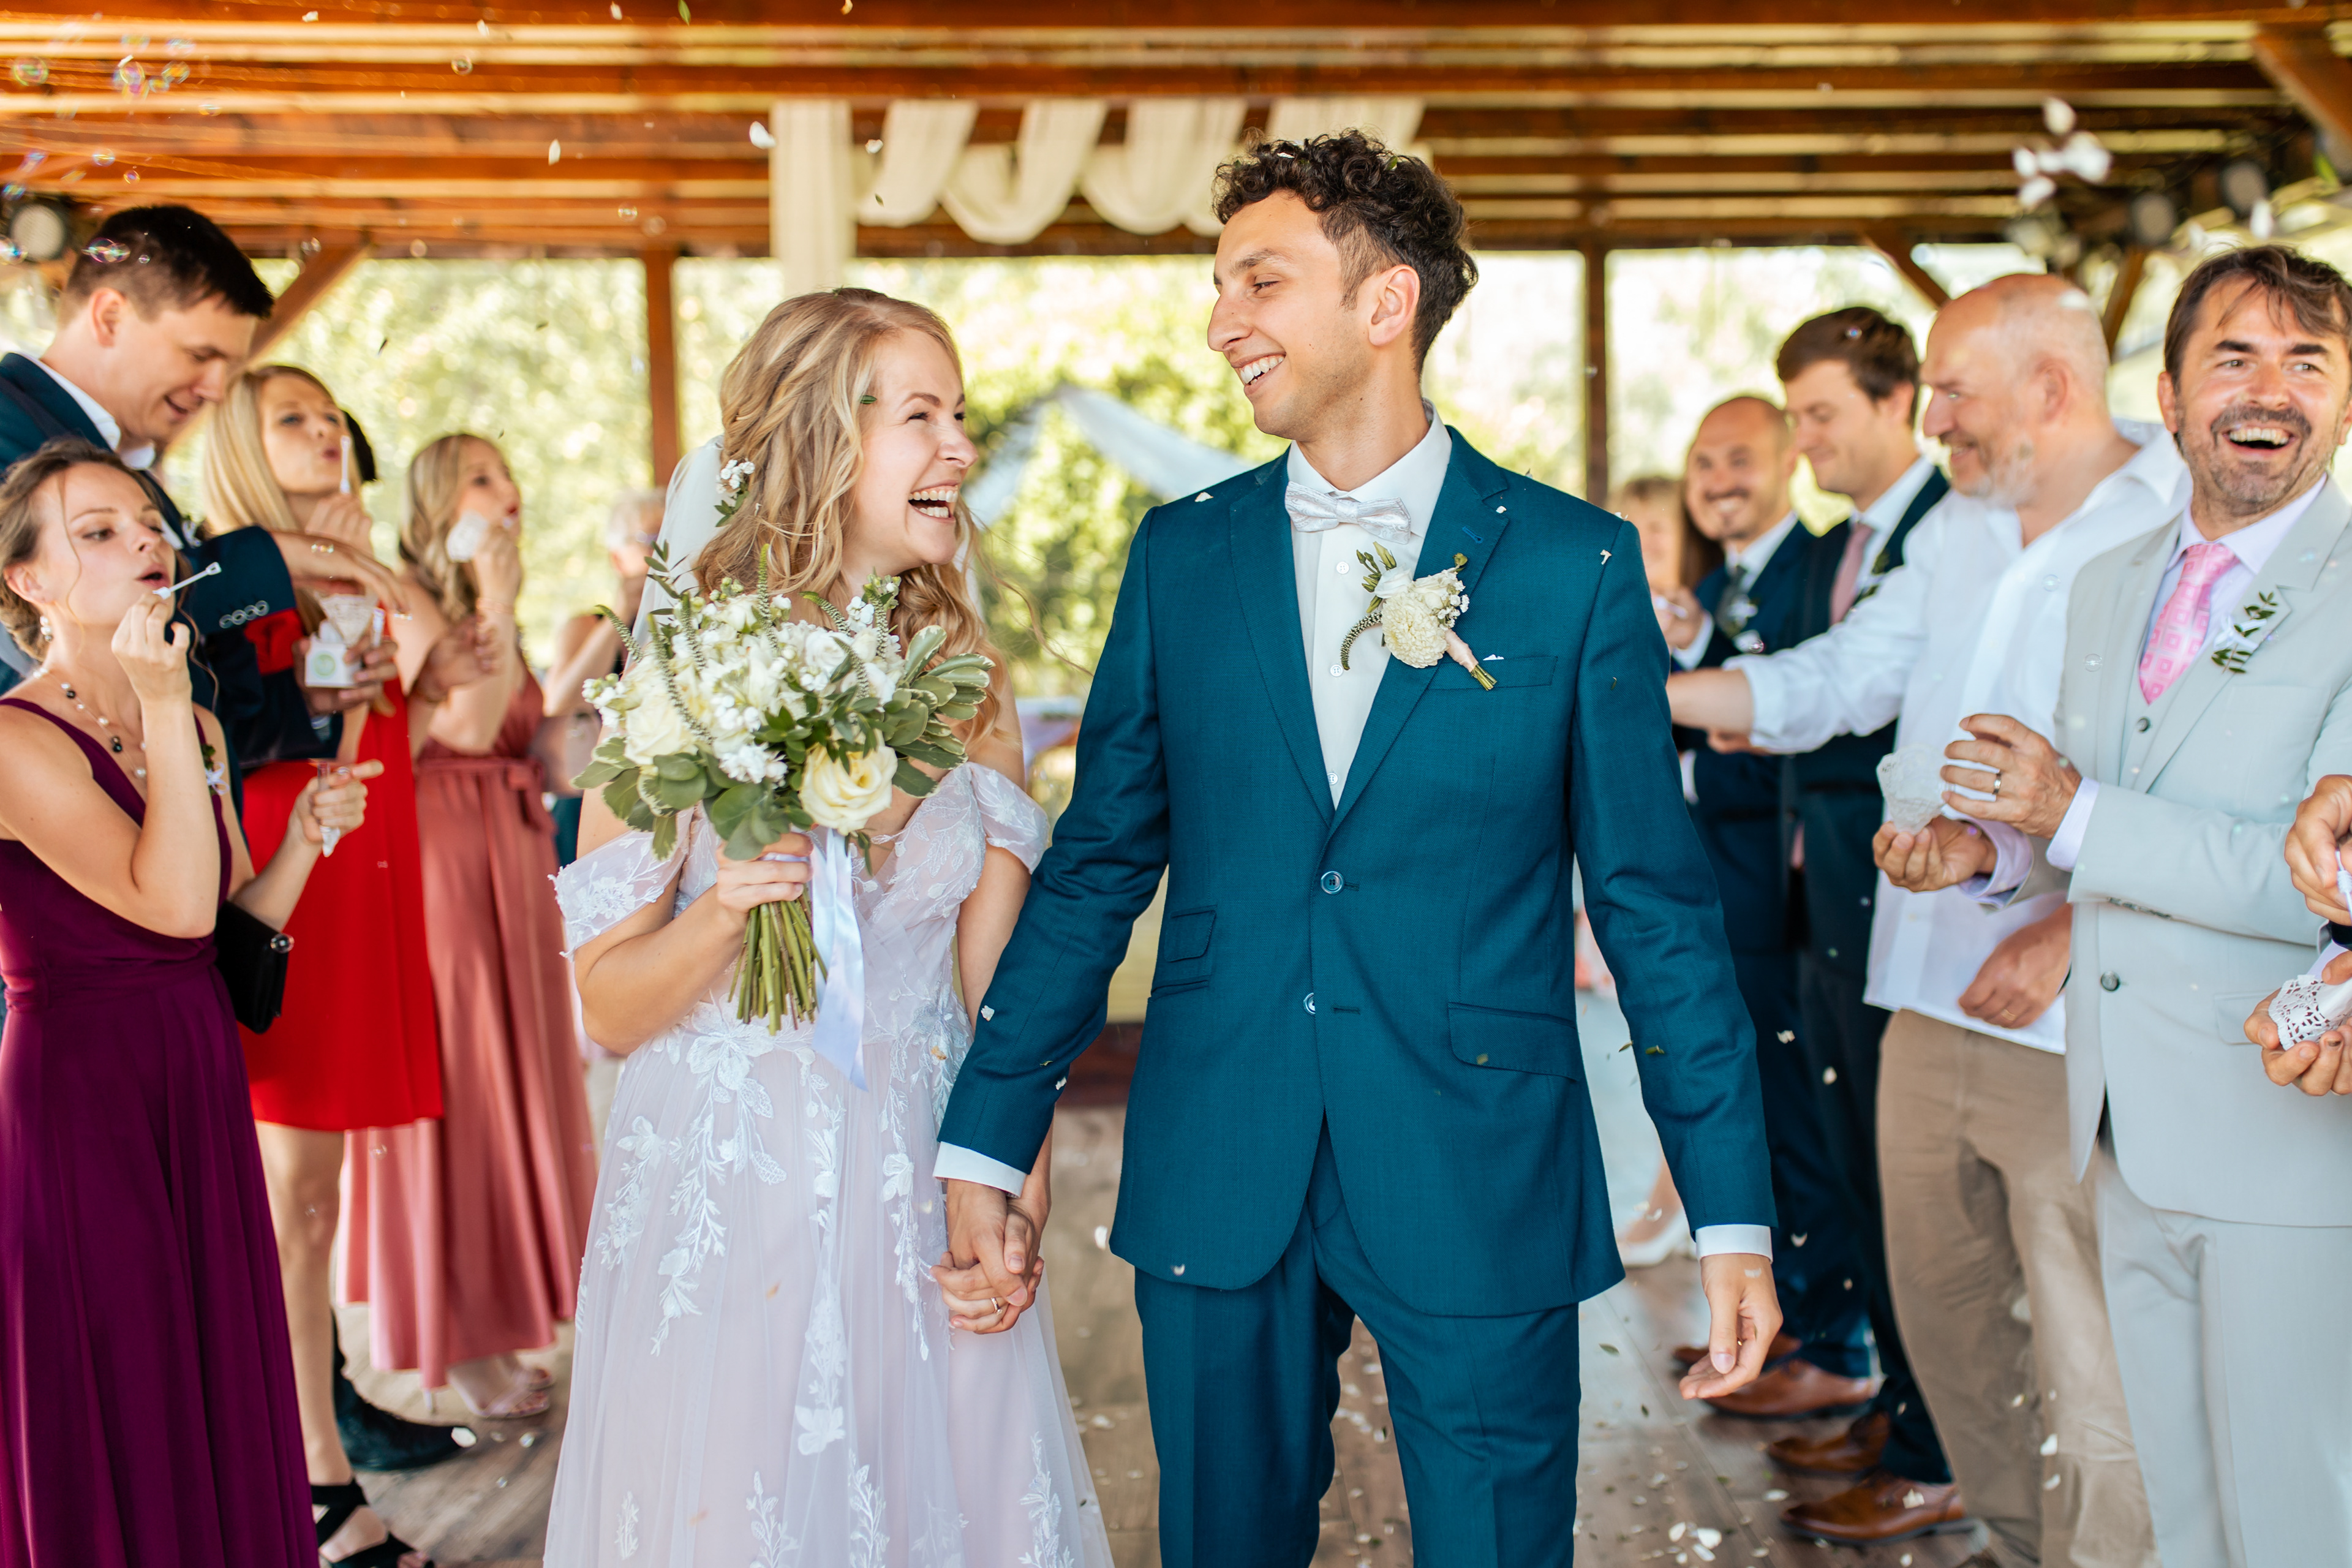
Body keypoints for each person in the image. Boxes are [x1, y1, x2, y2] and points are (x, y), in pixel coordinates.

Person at [937, 132, 1779, 1568]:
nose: (1222, 322)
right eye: (1219, 285)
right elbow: (1097, 864)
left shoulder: (1569, 565)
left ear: (1387, 302)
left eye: (1259, 281)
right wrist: (988, 1124)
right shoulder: (1180, 554)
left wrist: (1732, 1213)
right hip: (1220, 1145)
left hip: (1479, 1154)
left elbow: (1654, 910)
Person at [543, 288, 1110, 1565]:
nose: (961, 447)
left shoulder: (966, 675)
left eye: (959, 415)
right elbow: (612, 1005)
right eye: (923, 417)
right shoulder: (678, 677)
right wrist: (731, 908)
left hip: (920, 1174)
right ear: (820, 440)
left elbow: (999, 996)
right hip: (732, 1184)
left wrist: (1014, 1197)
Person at [1668, 273, 2170, 1564]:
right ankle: (2009, 1537)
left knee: (2094, 1356)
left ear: (2049, 388)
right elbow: (1842, 677)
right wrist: (1639, 688)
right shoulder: (1957, 529)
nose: (1930, 416)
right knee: (1943, 1322)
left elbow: (2200, 779)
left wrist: (2082, 925)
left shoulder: (2176, 516)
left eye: (1951, 390)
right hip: (1923, 985)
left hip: (2077, 1013)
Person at [1894, 244, 2352, 1568]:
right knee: (2185, 1514)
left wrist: (2068, 810)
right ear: (2169, 392)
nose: (2270, 390)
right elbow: (2097, 821)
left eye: (2309, 363)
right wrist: (1988, 853)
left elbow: (2320, 875)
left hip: (2284, 1129)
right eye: (2235, 357)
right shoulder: (2113, 579)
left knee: (2296, 1517)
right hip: (2116, 1121)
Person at [0, 439, 372, 1567]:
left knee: (212, 1364)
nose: (145, 544)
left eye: (149, 525)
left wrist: (302, 843)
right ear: (30, 580)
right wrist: (166, 701)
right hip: (85, 1095)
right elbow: (161, 908)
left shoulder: (201, 725)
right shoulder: (14, 739)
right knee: (126, 1372)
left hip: (195, 1066)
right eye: (98, 532)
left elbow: (218, 923)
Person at [200, 363, 496, 1523]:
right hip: (286, 871)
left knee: (314, 1197)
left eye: (332, 418)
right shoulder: (219, 577)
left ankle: (313, 1455)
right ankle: (314, 1475)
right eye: (294, 419)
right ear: (239, 439)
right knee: (297, 1195)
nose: (326, 432)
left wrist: (394, 674)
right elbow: (238, 734)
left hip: (357, 860)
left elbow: (374, 739)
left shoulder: (346, 572)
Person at [339, 434, 598, 1420]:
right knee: (465, 1080)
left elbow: (530, 741)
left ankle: (512, 1311)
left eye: (508, 471)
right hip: (442, 862)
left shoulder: (494, 605)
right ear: (441, 501)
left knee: (520, 1074)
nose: (510, 490)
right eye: (483, 478)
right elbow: (458, 727)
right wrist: (495, 600)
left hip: (513, 851)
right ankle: (460, 1334)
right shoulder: (410, 600)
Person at [1741, 307, 1953, 1487]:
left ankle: (1935, 1433)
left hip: (1907, 897)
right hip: (1818, 898)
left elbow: (1837, 696)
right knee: (1849, 1158)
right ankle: (1891, 1393)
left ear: (1895, 400)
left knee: (1904, 1173)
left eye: (1822, 414)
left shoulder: (1949, 528)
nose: (1806, 441)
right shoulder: (1838, 547)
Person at [0, 206, 402, 778]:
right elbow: (51, 636)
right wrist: (274, 557)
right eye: (199, 356)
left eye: (229, 367)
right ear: (110, 317)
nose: (216, 389)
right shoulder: (8, 427)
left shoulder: (135, 473)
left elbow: (196, 704)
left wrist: (309, 701)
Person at [1659, 397, 1875, 1426]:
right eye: (1703, 464)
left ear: (1790, 458)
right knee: (1760, 1120)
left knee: (1805, 1127)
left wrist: (1675, 771)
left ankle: (1837, 1343)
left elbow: (1803, 734)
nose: (1718, 482)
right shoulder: (1709, 589)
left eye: (1739, 459)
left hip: (1795, 903)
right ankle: (1784, 1316)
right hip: (1723, 899)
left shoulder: (1824, 573)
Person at [542, 489, 659, 866]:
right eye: (652, 538)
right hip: (589, 804)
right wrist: (621, 613)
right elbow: (559, 701)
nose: (664, 550)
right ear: (617, 558)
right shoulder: (586, 626)